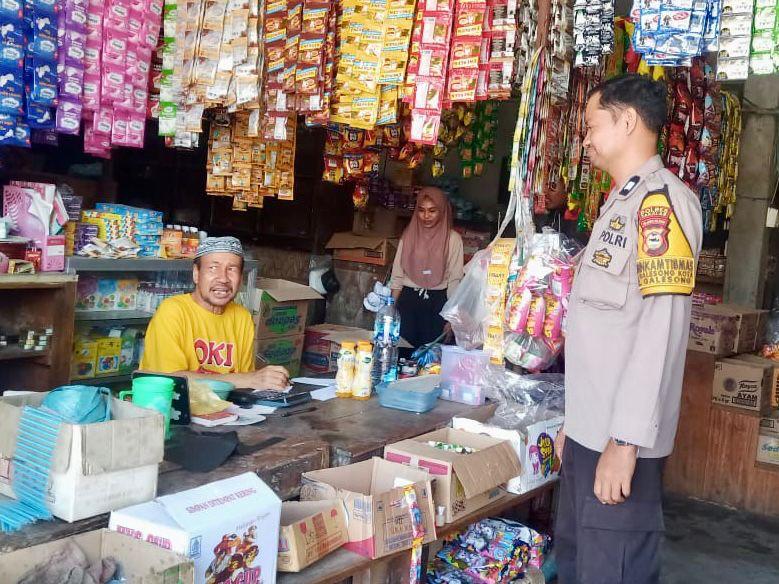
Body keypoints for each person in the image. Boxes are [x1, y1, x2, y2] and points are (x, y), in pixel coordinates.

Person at [556, 74, 703, 583]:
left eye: (591, 126)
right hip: (589, 432)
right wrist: (574, 424)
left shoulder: (661, 205)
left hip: (621, 444)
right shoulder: (620, 203)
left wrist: (625, 442)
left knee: (612, 571)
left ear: (627, 122)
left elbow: (661, 332)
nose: (585, 140)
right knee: (577, 565)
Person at [140, 236, 289, 390]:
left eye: (232, 269)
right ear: (196, 274)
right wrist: (249, 379)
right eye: (213, 268)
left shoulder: (242, 317)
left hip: (226, 404)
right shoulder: (173, 311)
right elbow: (171, 380)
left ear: (240, 279)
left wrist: (262, 380)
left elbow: (244, 380)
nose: (223, 278)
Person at [389, 186, 465, 349]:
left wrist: (451, 319)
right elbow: (397, 276)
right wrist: (390, 309)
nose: (426, 216)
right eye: (421, 210)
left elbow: (455, 280)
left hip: (437, 305)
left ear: (442, 211)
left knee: (430, 357)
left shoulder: (453, 240)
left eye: (432, 211)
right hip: (407, 303)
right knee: (401, 353)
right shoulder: (408, 236)